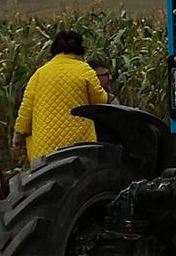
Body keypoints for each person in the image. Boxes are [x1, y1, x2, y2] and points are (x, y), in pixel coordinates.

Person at [12, 30, 108, 161]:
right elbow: (100, 101)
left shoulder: (40, 73)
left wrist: (19, 135)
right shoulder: (85, 70)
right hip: (78, 143)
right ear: (80, 49)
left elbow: (26, 109)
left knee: (47, 178)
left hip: (44, 144)